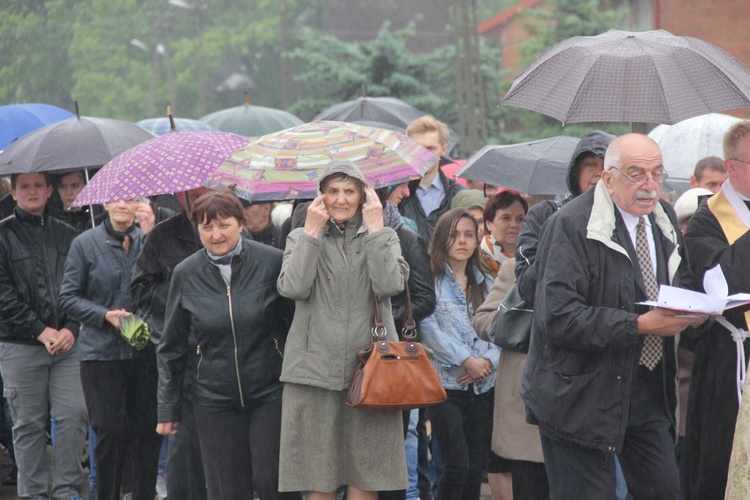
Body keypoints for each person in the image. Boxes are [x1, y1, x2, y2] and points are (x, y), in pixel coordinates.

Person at [521, 134, 707, 499]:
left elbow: (677, 285)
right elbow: (556, 317)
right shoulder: (570, 224)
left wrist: (693, 311)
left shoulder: (665, 218)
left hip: (649, 388)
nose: (649, 185)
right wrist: (638, 325)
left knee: (665, 491)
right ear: (607, 178)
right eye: (636, 173)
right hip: (578, 396)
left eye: (656, 173)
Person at [277, 160, 409, 499]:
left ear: (363, 196)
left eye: (349, 191)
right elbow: (293, 288)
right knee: (318, 480)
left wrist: (377, 228)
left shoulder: (385, 237)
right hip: (312, 375)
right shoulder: (299, 237)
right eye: (332, 191)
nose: (340, 199)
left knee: (366, 478)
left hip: (371, 375)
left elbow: (389, 284)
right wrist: (310, 233)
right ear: (320, 196)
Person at [156, 190, 297, 500]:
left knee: (272, 479)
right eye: (207, 227)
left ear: (240, 222)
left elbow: (295, 323)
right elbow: (171, 346)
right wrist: (167, 408)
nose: (216, 234)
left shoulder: (270, 261)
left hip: (269, 390)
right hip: (213, 396)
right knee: (227, 487)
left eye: (223, 224)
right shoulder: (186, 273)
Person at [59, 197, 162, 500]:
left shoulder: (151, 238)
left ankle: (144, 494)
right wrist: (104, 316)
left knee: (147, 431)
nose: (122, 204)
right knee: (110, 431)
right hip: (101, 355)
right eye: (116, 198)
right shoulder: (85, 243)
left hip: (144, 351)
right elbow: (68, 298)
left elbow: (165, 283)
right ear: (104, 203)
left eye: (130, 198)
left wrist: (152, 234)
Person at [0, 172, 88, 500]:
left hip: (67, 343)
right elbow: (3, 294)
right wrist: (39, 330)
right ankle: (33, 494)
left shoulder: (68, 236)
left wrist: (71, 328)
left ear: (50, 190)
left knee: (75, 415)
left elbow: (82, 286)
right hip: (20, 344)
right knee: (28, 426)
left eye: (39, 185)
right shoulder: (3, 235)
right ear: (14, 191)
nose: (33, 192)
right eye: (25, 186)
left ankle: (66, 491)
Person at [682, 121, 750, 499]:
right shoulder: (708, 218)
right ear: (733, 168)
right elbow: (725, 283)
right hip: (730, 361)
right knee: (722, 465)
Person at [131, 188, 210, 500]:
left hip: (225, 355)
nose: (205, 196)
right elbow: (140, 290)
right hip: (182, 351)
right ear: (182, 197)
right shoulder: (162, 236)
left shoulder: (232, 227)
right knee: (185, 447)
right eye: (197, 192)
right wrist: (184, 295)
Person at [418, 208, 497, 500]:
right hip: (445, 387)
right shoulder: (430, 280)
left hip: (483, 385)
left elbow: (501, 329)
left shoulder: (487, 282)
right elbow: (428, 329)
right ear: (442, 239)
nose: (462, 241)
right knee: (457, 465)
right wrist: (466, 360)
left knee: (475, 468)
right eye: (454, 235)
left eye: (468, 234)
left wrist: (487, 363)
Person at [474, 256, 549, 500]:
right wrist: (521, 320)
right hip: (525, 406)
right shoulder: (516, 268)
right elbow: (483, 320)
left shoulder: (593, 264)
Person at [515, 129, 614, 303]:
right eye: (591, 164)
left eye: (606, 167)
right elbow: (526, 287)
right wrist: (562, 232)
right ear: (576, 171)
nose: (599, 173)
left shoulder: (625, 221)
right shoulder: (546, 215)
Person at [399, 116, 464, 245]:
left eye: (431, 148)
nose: (424, 155)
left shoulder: (459, 194)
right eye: (418, 148)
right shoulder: (396, 195)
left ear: (443, 150)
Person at [478, 191, 527, 278]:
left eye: (520, 219)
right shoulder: (475, 261)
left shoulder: (533, 259)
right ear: (489, 224)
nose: (514, 225)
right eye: (506, 218)